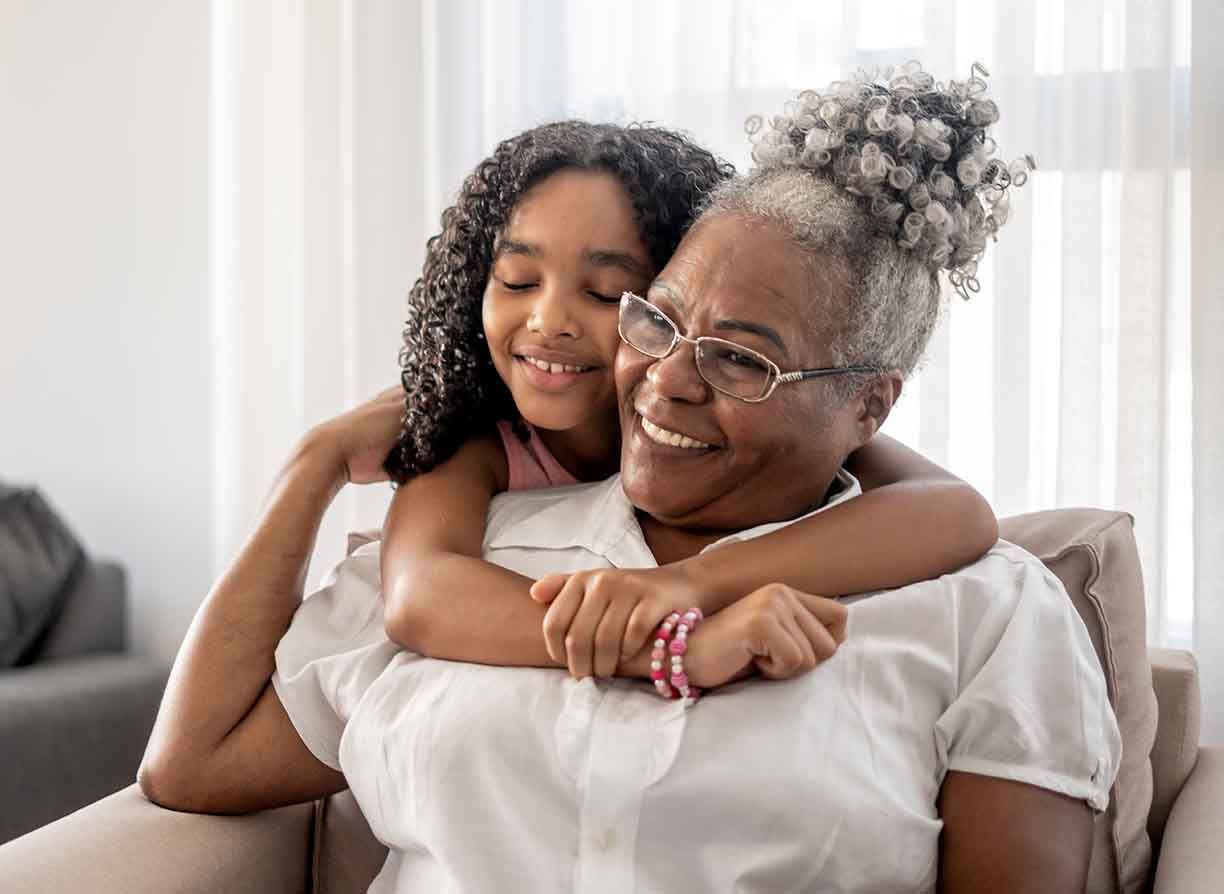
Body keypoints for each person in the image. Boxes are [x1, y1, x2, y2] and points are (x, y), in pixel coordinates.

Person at [139, 63, 1120, 892]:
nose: (667, 380)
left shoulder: (984, 611)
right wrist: (309, 468)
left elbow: (957, 516)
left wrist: (680, 594)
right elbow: (197, 762)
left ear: (869, 407)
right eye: (656, 319)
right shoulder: (479, 529)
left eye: (742, 360)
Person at [377, 121, 996, 680]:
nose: (549, 322)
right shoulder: (481, 437)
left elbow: (957, 511)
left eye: (604, 292)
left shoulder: (768, 422)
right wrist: (674, 648)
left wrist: (687, 584)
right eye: (516, 281)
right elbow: (418, 595)